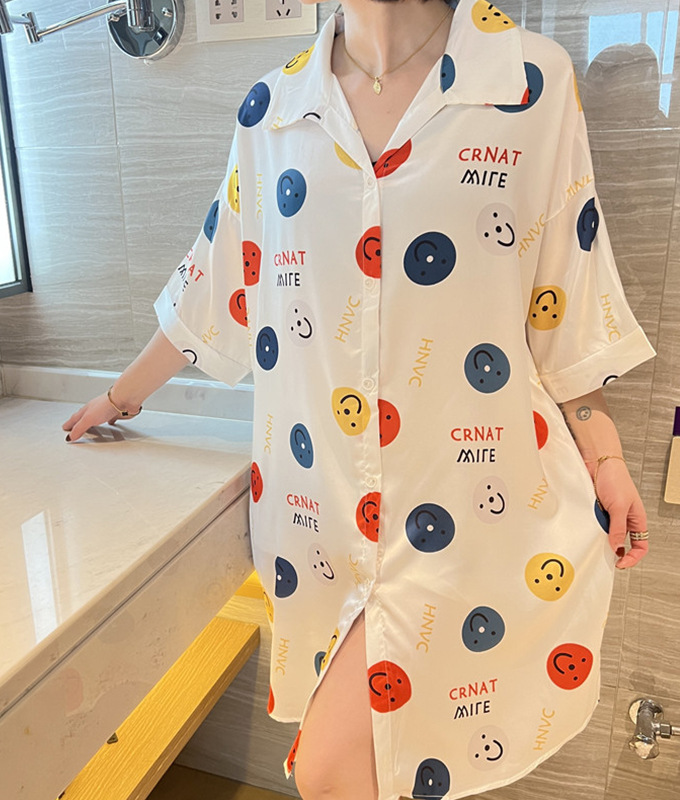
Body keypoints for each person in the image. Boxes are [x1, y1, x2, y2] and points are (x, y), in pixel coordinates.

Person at [63, 1, 656, 798]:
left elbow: (564, 294)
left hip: (478, 510)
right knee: (367, 767)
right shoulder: (273, 111)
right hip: (320, 513)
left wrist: (604, 453)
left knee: (336, 769)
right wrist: (120, 396)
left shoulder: (526, 80)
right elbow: (219, 280)